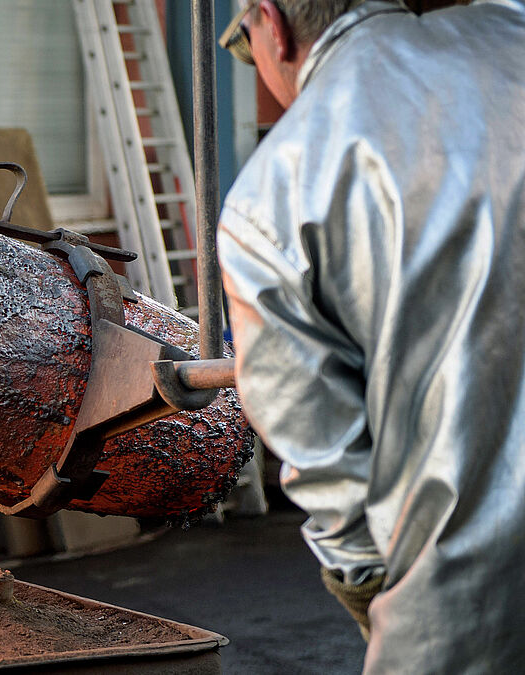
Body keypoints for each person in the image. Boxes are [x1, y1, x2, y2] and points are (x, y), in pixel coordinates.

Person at [216, 0, 525, 670]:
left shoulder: (272, 192)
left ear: (272, 24)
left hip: (470, 619)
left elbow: (333, 475)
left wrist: (376, 598)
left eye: (245, 43)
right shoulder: (513, 29)